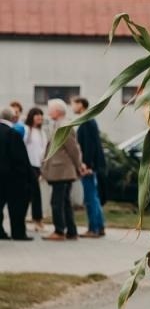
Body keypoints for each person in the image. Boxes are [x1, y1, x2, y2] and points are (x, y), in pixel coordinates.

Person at [39, 99, 87, 240]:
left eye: (50, 109)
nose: (48, 112)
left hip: (62, 172)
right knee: (64, 202)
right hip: (60, 171)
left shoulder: (64, 126)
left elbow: (73, 149)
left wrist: (79, 166)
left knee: (57, 202)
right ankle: (71, 232)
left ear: (57, 111)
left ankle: (59, 231)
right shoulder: (59, 125)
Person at [72, 96, 107, 237]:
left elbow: (89, 146)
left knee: (90, 198)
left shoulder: (86, 121)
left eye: (73, 104)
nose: (72, 107)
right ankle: (99, 227)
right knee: (94, 197)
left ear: (81, 104)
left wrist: (86, 165)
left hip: (89, 166)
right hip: (93, 165)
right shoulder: (90, 120)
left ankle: (94, 229)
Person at [0, 106, 32, 240]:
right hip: (12, 178)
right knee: (17, 207)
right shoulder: (13, 134)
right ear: (13, 118)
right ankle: (18, 233)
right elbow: (20, 159)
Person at [22, 106, 47, 230]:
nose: (40, 118)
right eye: (37, 115)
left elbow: (43, 151)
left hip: (38, 166)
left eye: (41, 115)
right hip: (28, 166)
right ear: (31, 117)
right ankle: (36, 220)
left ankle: (36, 220)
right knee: (32, 193)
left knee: (33, 194)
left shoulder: (42, 132)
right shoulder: (26, 130)